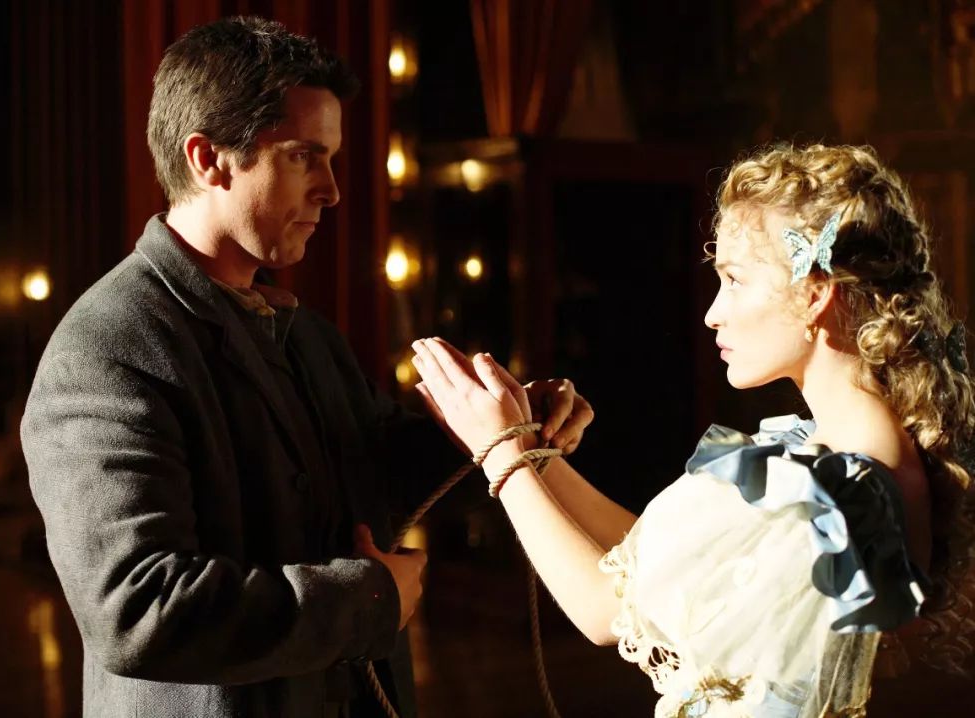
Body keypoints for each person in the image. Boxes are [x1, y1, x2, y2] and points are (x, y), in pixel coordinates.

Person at [20, 16, 593, 718]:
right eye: (303, 157)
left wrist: (504, 427)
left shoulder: (308, 335)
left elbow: (375, 477)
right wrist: (370, 600)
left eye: (331, 159)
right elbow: (137, 611)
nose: (332, 190)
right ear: (208, 159)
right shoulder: (105, 350)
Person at [411, 143, 975, 717]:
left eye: (735, 280)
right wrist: (530, 451)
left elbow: (605, 610)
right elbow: (651, 560)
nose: (712, 313)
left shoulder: (817, 489)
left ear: (814, 294)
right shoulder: (856, 458)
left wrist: (500, 454)